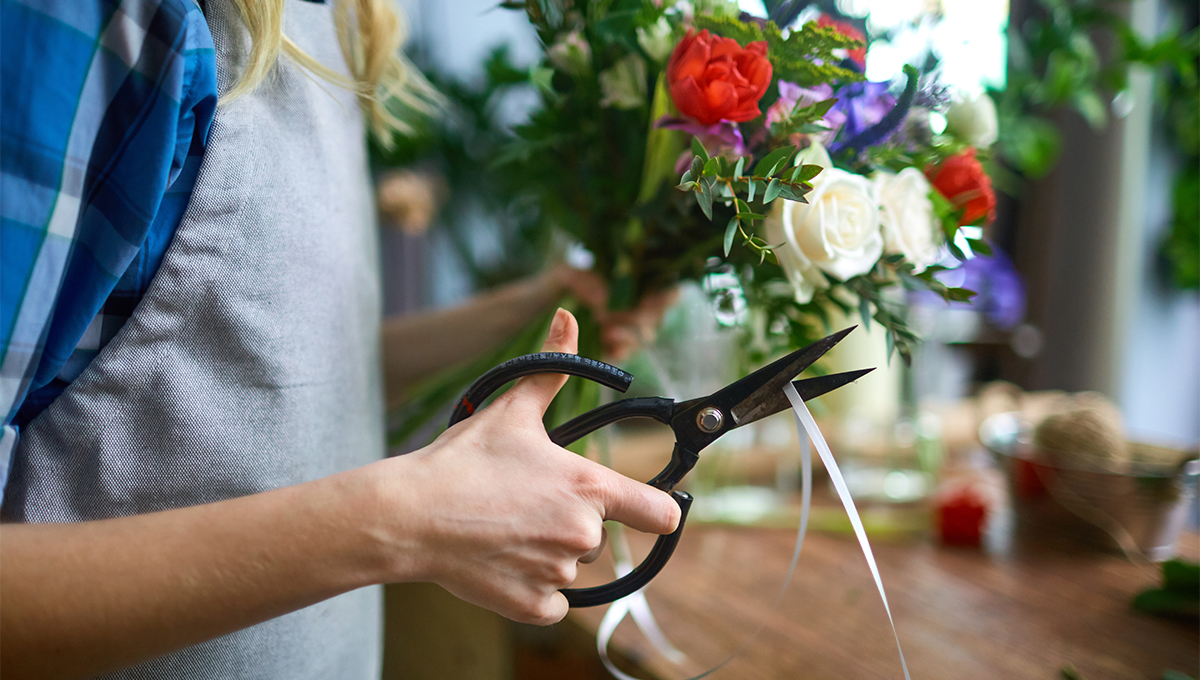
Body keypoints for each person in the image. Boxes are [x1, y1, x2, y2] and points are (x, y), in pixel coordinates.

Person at [0, 1, 679, 678]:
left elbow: (272, 383)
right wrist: (408, 517)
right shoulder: (97, 20)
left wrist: (527, 307)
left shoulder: (336, 24)